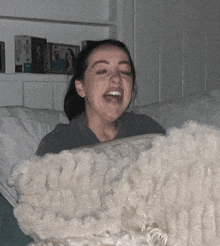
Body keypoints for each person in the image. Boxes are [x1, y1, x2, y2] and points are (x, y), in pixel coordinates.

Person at [36, 39, 165, 157]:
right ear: (81, 87)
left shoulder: (148, 131)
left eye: (125, 71)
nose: (117, 78)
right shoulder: (57, 145)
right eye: (102, 71)